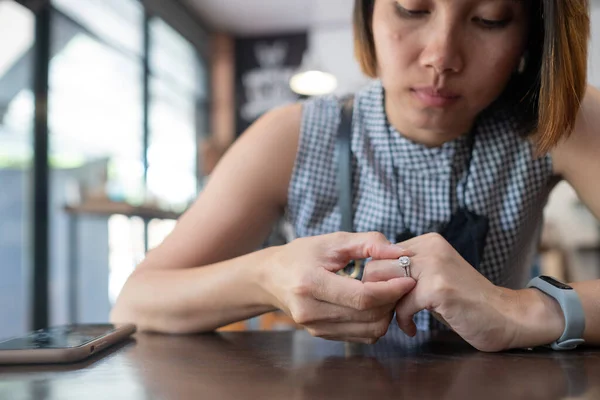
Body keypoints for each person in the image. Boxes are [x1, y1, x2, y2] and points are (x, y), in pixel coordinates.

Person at [111, 0, 600, 352]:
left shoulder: (560, 119)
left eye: (489, 19)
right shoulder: (293, 136)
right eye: (412, 9)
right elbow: (137, 302)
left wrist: (522, 311)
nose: (441, 57)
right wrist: (267, 276)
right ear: (367, 13)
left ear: (532, 34)